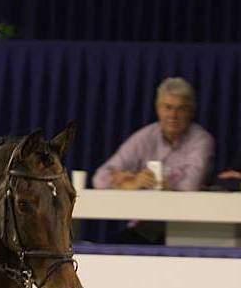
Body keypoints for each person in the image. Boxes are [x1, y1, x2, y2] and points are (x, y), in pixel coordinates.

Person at [92, 77, 214, 243]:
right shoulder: (145, 136)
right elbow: (100, 178)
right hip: (144, 228)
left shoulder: (201, 140)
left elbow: (190, 185)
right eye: (168, 107)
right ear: (158, 109)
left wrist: (165, 184)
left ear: (191, 112)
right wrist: (132, 182)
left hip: (186, 230)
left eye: (181, 109)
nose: (173, 115)